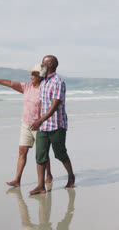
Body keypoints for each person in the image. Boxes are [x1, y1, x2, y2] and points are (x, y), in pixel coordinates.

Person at [0, 65, 53, 187]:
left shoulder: (44, 89)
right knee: (22, 151)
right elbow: (9, 83)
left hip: (39, 126)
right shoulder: (27, 87)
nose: (31, 77)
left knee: (41, 153)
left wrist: (43, 121)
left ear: (41, 76)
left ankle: (48, 174)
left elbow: (52, 106)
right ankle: (17, 180)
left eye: (34, 74)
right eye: (31, 74)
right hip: (26, 124)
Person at [29, 55, 75, 195]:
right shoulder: (43, 82)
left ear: (49, 65)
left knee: (60, 153)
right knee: (40, 155)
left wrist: (40, 120)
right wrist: (39, 119)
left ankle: (71, 177)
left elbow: (55, 105)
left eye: (43, 64)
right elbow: (42, 103)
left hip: (57, 125)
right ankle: (40, 186)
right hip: (43, 126)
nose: (41, 66)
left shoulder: (57, 82)